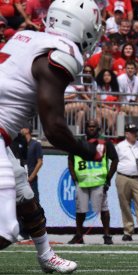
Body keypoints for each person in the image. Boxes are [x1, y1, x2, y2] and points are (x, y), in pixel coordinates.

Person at [0, 0, 103, 273]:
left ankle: (45, 255)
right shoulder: (61, 52)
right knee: (7, 229)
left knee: (23, 187)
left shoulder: (27, 37)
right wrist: (88, 150)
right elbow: (55, 129)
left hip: (2, 138)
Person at [67, 120, 118, 245]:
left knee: (103, 209)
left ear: (98, 128)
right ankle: (79, 235)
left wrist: (108, 179)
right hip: (82, 182)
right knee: (80, 210)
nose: (91, 128)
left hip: (99, 181)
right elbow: (70, 160)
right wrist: (74, 178)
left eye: (93, 126)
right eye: (89, 126)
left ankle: (107, 235)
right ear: (85, 128)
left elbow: (115, 160)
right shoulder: (78, 143)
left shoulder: (105, 142)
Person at [115, 123, 138, 242]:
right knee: (125, 205)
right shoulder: (120, 146)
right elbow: (115, 161)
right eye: (133, 132)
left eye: (136, 132)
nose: (135, 134)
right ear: (127, 134)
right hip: (123, 177)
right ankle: (128, 231)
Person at [21, 127, 43, 202]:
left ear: (27, 130)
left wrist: (31, 176)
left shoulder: (36, 144)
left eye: (22, 128)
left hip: (31, 180)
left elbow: (40, 162)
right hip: (21, 179)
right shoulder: (20, 145)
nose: (20, 130)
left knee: (34, 201)